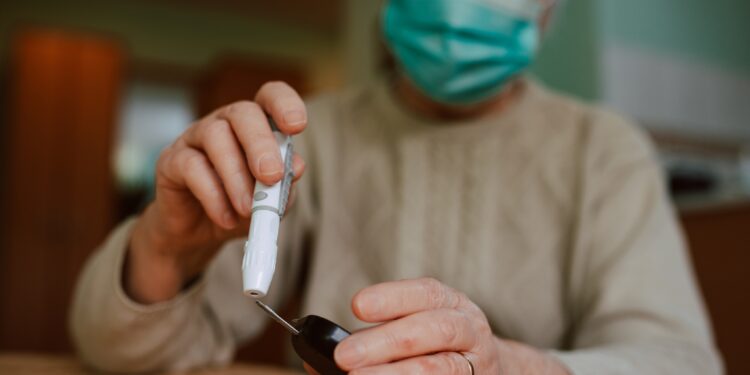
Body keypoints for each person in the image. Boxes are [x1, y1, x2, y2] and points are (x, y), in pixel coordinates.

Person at [70, 0, 723, 374]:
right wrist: (165, 247)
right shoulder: (306, 139)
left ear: (550, 12)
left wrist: (508, 366)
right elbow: (115, 353)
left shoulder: (606, 151)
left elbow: (682, 362)